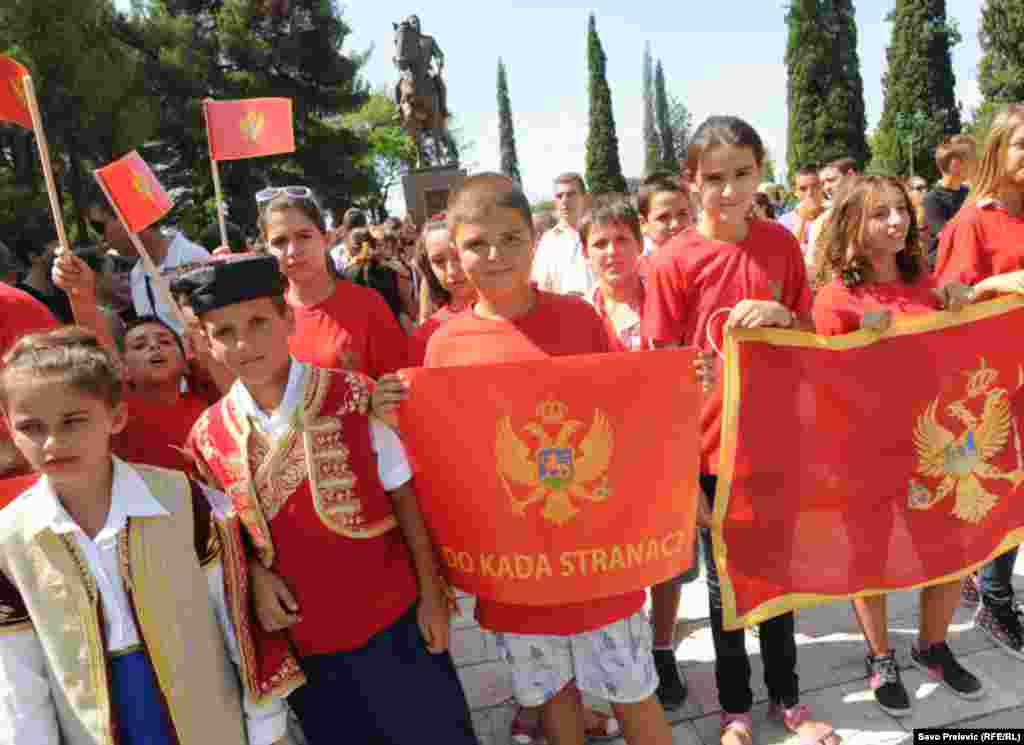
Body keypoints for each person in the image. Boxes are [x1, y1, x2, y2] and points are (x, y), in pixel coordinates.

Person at [173, 254, 475, 745]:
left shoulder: (354, 395)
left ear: (287, 318)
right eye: (224, 332)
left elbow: (404, 499)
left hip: (393, 621)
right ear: (204, 341)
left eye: (257, 323)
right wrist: (254, 576)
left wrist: (433, 599)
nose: (244, 343)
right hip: (306, 643)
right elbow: (225, 538)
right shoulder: (207, 437)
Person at [422, 173, 673, 745]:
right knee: (555, 701)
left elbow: (624, 412)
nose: (495, 255)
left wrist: (683, 385)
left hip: (597, 557)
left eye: (510, 239)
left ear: (533, 238)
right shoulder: (443, 346)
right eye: (477, 244)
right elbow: (444, 459)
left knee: (633, 692)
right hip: (516, 569)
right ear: (455, 254)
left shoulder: (579, 319)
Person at [644, 115, 839, 745]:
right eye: (715, 179)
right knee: (726, 587)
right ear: (691, 181)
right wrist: (679, 464)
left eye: (743, 175)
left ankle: (789, 699)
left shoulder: (780, 244)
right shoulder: (672, 262)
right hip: (708, 449)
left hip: (775, 437)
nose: (729, 191)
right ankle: (734, 709)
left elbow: (811, 329)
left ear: (762, 171)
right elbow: (657, 372)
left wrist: (783, 311)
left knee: (779, 578)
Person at [0, 326, 290, 745]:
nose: (52, 443)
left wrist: (266, 725)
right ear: (10, 429)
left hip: (207, 717)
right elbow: (18, 681)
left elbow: (237, 623)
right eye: (31, 427)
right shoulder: (10, 540)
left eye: (74, 421)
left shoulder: (183, 499)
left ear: (116, 416)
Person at [810, 175, 1015, 714]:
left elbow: (954, 354)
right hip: (865, 451)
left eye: (900, 210)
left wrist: (959, 303)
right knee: (870, 558)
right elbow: (821, 382)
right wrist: (861, 342)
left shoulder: (926, 283)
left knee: (949, 550)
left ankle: (933, 645)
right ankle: (880, 657)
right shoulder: (837, 297)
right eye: (881, 214)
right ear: (854, 223)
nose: (898, 222)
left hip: (934, 448)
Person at [580, 195, 712, 714]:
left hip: (664, 453)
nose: (612, 252)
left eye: (622, 240)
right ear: (586, 252)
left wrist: (699, 377)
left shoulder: (666, 300)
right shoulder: (576, 313)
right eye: (600, 243)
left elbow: (694, 371)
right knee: (616, 566)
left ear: (639, 244)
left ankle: (661, 650)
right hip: (605, 462)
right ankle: (619, 656)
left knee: (669, 565)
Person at [934, 103, 1024, 661]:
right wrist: (1004, 282)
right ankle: (994, 596)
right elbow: (948, 301)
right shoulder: (973, 220)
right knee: (1004, 486)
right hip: (993, 383)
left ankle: (980, 577)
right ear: (997, 150)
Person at [256, 187, 409, 379]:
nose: (293, 250)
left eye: (304, 236)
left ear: (326, 239)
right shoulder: (263, 316)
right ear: (267, 250)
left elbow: (399, 388)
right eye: (280, 241)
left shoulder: (367, 305)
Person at [85, 186, 209, 335]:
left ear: (127, 216)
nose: (101, 240)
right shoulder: (137, 275)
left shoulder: (193, 258)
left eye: (98, 227)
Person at [111, 315, 210, 472]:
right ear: (124, 370)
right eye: (139, 346)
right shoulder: (119, 412)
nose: (154, 346)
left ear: (185, 364)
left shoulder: (207, 405)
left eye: (165, 342)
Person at [409, 216, 475, 364]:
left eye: (458, 256)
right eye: (438, 261)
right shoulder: (426, 335)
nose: (451, 271)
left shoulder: (515, 311)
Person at [531, 172, 593, 297]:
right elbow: (542, 287)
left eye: (570, 194)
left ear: (585, 198)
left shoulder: (599, 235)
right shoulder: (548, 242)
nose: (564, 200)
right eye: (559, 196)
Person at [923, 135, 978, 263]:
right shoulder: (932, 199)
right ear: (954, 164)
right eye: (967, 159)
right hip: (941, 267)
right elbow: (947, 235)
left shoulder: (969, 193)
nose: (972, 164)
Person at [343, 227, 409, 327]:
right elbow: (406, 302)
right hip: (394, 327)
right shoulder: (391, 268)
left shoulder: (347, 275)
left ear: (350, 249)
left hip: (367, 333)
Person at [12, 227, 73, 323]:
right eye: (56, 253)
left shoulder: (63, 292)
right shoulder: (20, 299)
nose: (63, 257)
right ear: (34, 257)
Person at [778, 164, 825, 265]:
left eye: (815, 186)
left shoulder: (833, 214)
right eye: (803, 189)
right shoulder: (785, 221)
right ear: (795, 192)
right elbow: (788, 254)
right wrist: (802, 218)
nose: (810, 193)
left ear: (822, 187)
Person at [637, 174, 692, 259]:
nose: (675, 224)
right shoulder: (638, 269)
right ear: (643, 223)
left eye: (682, 214)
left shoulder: (707, 263)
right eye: (663, 217)